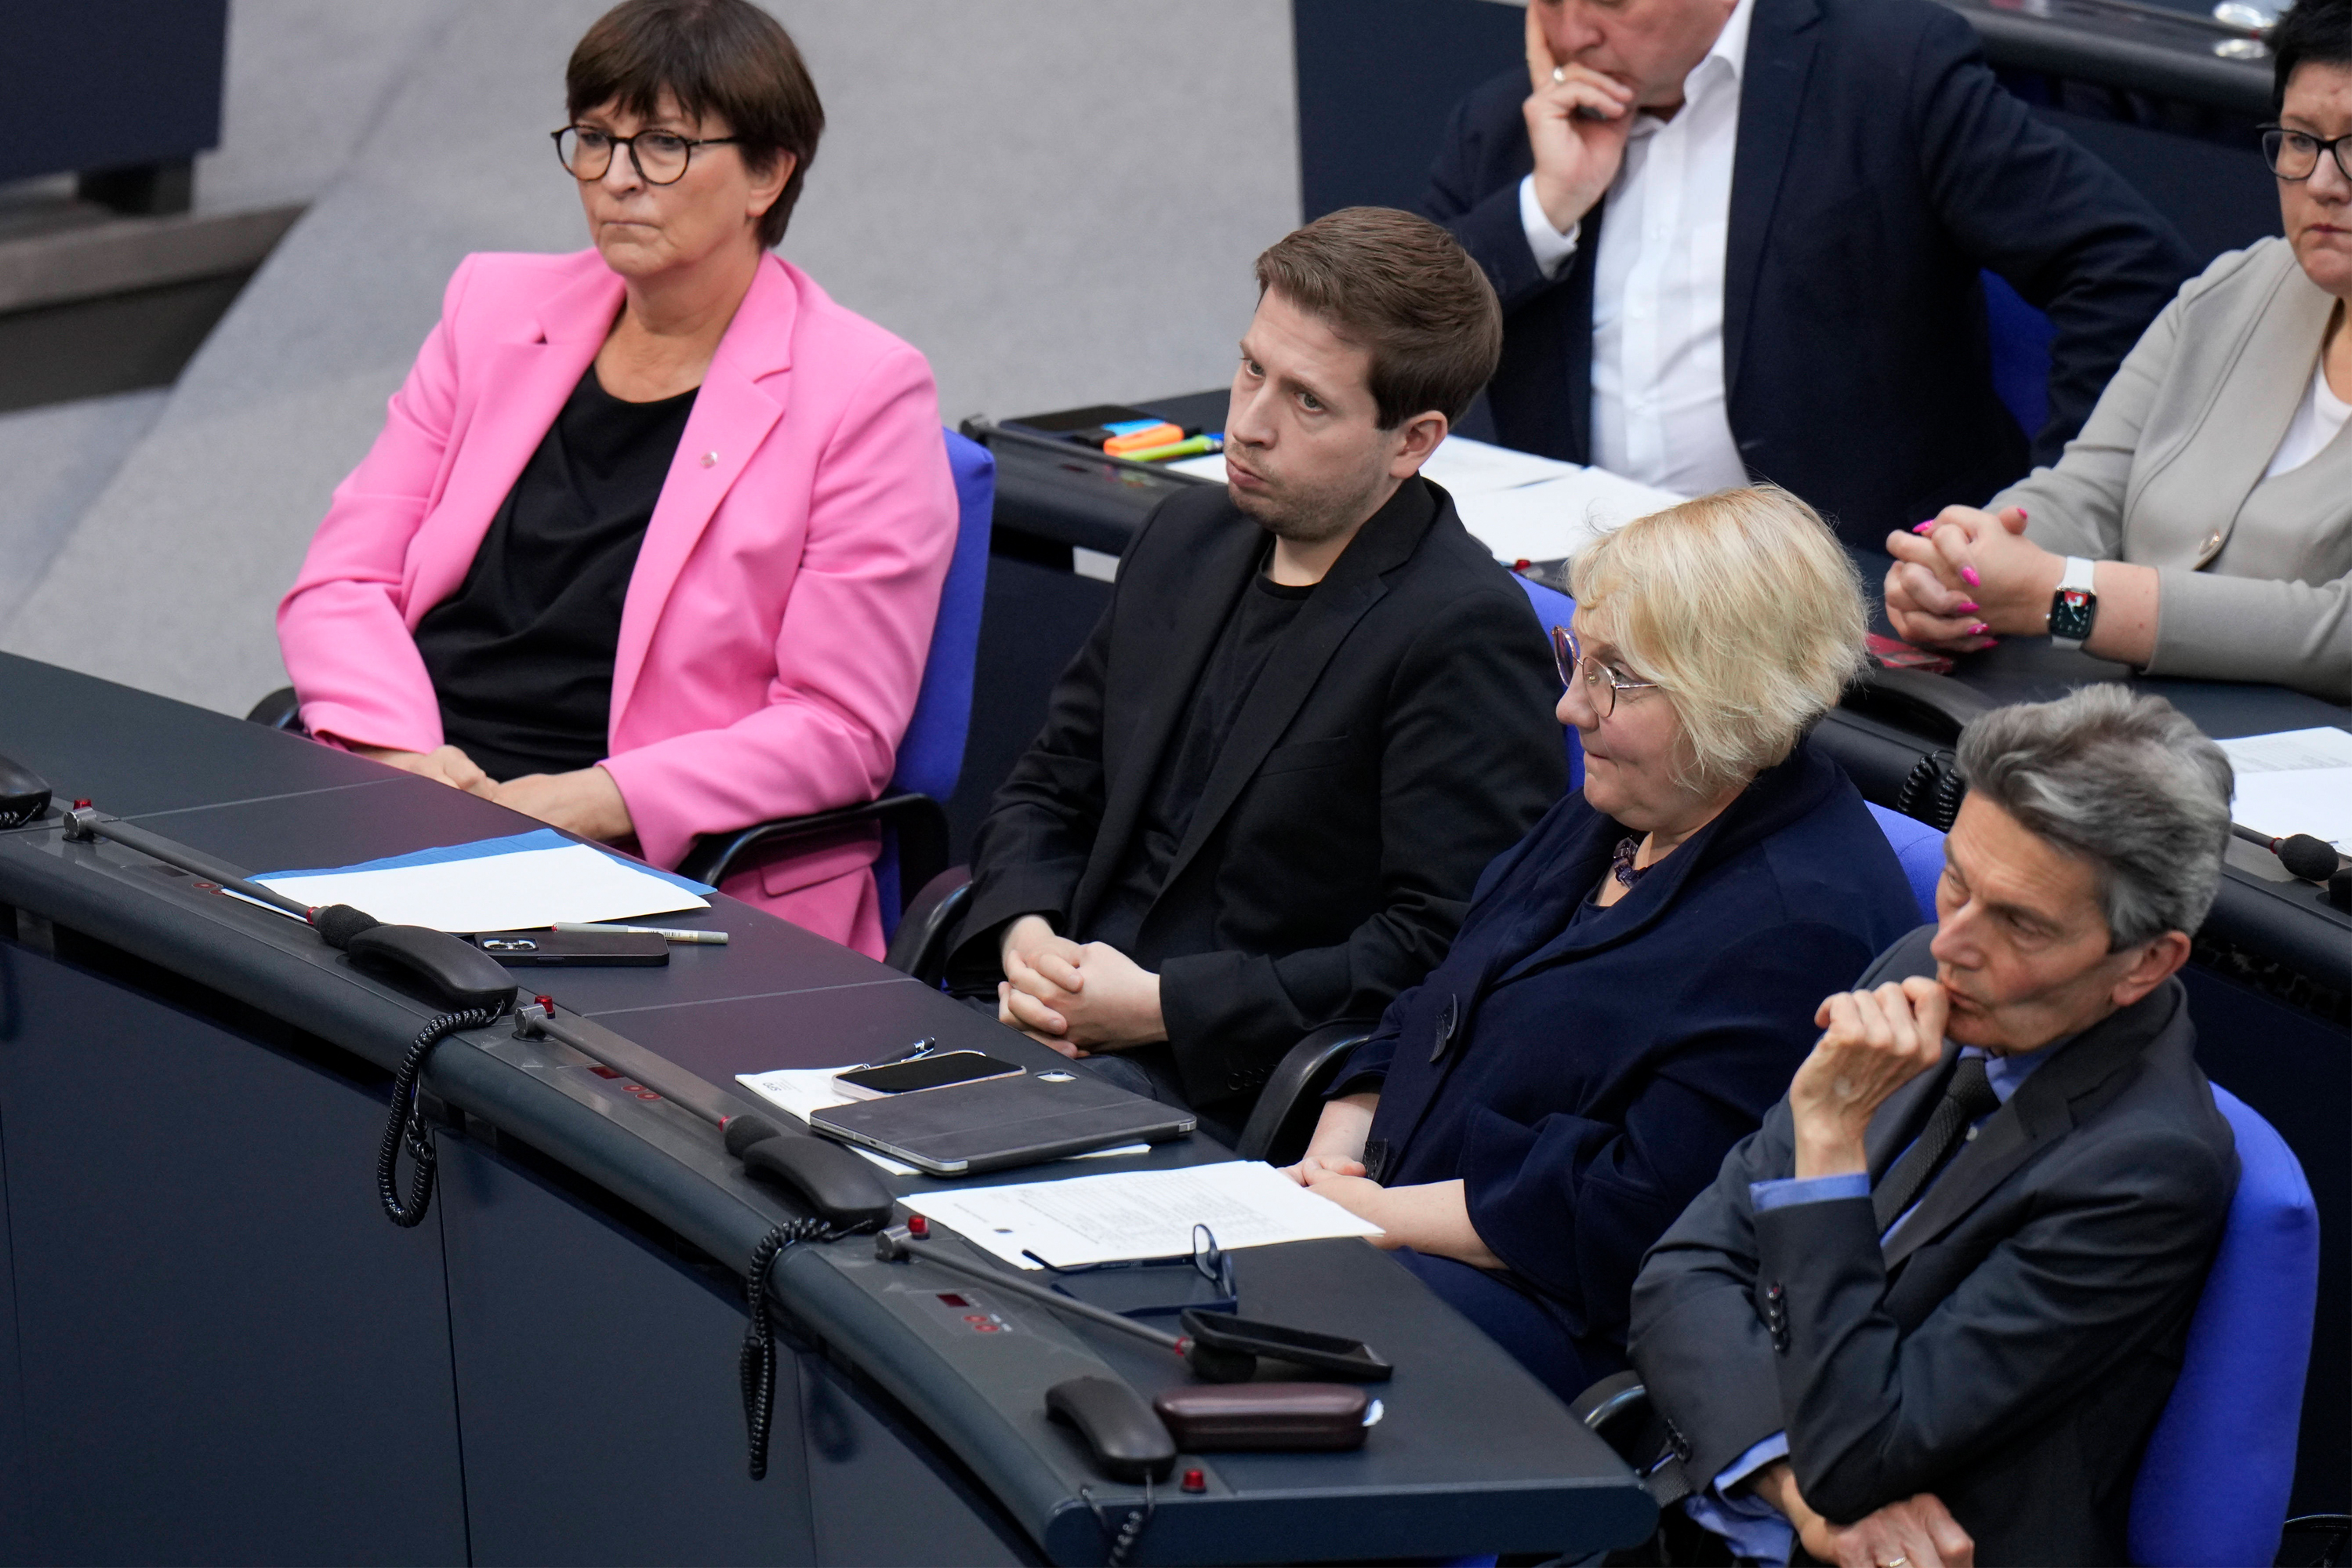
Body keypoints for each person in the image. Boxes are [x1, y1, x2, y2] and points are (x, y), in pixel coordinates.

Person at [276, 0, 956, 958]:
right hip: (417, 790)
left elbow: (837, 728)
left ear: (767, 172)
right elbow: (344, 580)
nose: (617, 181)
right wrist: (407, 765)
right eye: (595, 140)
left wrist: (582, 802)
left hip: (645, 860)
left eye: (664, 146)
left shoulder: (863, 392)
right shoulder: (494, 306)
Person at [1283, 487, 1918, 1403]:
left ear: (1732, 694)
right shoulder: (1631, 803)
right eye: (1577, 657)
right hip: (1395, 1219)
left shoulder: (1798, 927)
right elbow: (1444, 990)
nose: (1571, 709)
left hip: (1559, 1321)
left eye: (1614, 675)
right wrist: (1341, 1144)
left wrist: (1376, 1215)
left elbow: (1635, 1208)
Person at [945, 208, 1567, 1135]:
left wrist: (1160, 1004)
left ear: (1412, 439)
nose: (1249, 423)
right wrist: (1025, 932)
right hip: (1046, 1013)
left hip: (1222, 1089)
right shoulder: (1184, 536)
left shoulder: (1462, 630)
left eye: (1307, 401)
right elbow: (1050, 782)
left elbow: (1437, 946)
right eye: (1250, 369)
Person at [1629, 685, 2240, 1568]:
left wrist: (1829, 1146)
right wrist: (1788, 1485)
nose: (1954, 940)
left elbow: (1859, 1453)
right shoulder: (1924, 964)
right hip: (1704, 1515)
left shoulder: (2147, 1167)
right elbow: (1679, 1270)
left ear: (2145, 961)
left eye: (2020, 922)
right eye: (1957, 878)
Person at [1421, 0, 2194, 545]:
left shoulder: (1886, 69)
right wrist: (1544, 208)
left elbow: (2127, 267)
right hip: (1593, 591)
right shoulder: (1508, 127)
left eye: (1612, 1)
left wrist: (2053, 509)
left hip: (1840, 604)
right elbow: (1391, 347)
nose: (1570, 31)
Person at [1885, 0, 2352, 703]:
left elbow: (2335, 630)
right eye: (2299, 140)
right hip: (2123, 746)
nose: (2321, 182)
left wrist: (2062, 599)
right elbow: (2087, 492)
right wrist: (1965, 565)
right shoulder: (2237, 289)